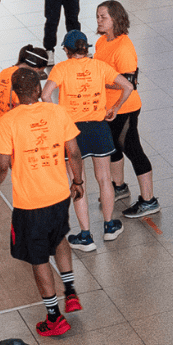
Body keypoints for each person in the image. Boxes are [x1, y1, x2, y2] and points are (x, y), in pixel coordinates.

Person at [0, 68, 82, 338]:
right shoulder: (58, 112)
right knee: (60, 238)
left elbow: (2, 165)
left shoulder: (8, 122)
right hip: (59, 196)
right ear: (39, 90)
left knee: (39, 257)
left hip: (30, 204)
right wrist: (78, 183)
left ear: (15, 94)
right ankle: (71, 291)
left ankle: (54, 317)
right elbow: (73, 152)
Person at [48, 32, 132, 251]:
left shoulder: (61, 69)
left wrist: (58, 118)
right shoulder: (100, 67)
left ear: (66, 50)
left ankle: (85, 236)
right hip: (98, 127)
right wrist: (114, 108)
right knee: (105, 179)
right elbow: (128, 86)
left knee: (79, 182)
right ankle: (109, 226)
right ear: (87, 48)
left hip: (72, 131)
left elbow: (46, 95)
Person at [95, 1, 158, 219]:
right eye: (98, 17)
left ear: (115, 19)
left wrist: (110, 98)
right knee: (114, 149)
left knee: (133, 150)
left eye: (103, 17)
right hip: (109, 108)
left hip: (124, 108)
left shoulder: (124, 47)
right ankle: (119, 186)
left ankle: (149, 200)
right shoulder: (101, 42)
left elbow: (128, 84)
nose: (99, 21)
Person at [0, 45, 54, 118]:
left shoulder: (3, 73)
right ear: (36, 69)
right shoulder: (26, 80)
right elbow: (27, 105)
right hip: (20, 121)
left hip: (3, 119)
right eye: (41, 71)